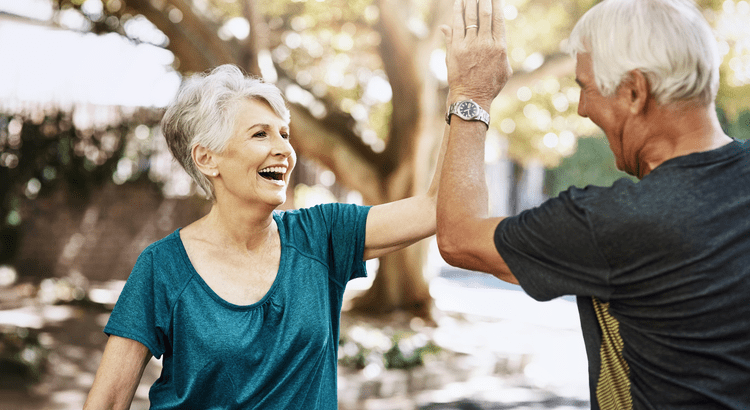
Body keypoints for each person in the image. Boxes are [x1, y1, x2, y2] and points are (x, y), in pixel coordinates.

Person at [437, 0, 750, 408]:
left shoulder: (615, 224)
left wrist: (471, 95)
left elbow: (459, 237)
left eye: (585, 87)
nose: (583, 108)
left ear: (635, 91)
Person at [83, 64, 448, 409]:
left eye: (284, 134)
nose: (285, 150)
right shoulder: (162, 266)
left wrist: (468, 96)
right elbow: (109, 401)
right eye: (261, 134)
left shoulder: (322, 236)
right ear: (207, 159)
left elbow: (436, 209)